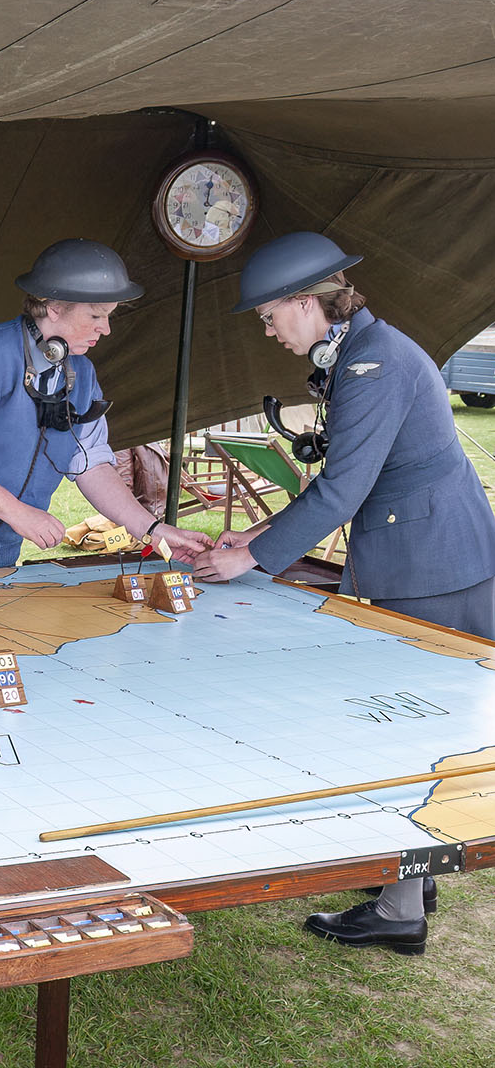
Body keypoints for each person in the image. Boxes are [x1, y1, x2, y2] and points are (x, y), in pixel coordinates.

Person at [193, 230, 495, 955]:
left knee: (407, 727)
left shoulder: (372, 362)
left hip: (431, 562)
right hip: (426, 550)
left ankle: (399, 910)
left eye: (270, 316)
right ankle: (411, 877)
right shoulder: (362, 350)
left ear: (308, 301)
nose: (268, 331)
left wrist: (252, 559)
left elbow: (342, 489)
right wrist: (256, 536)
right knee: (414, 719)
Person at [0, 239, 212, 576]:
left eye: (109, 317)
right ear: (54, 306)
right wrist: (20, 514)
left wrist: (152, 529)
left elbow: (91, 466)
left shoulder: (83, 376)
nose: (105, 329)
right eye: (95, 316)